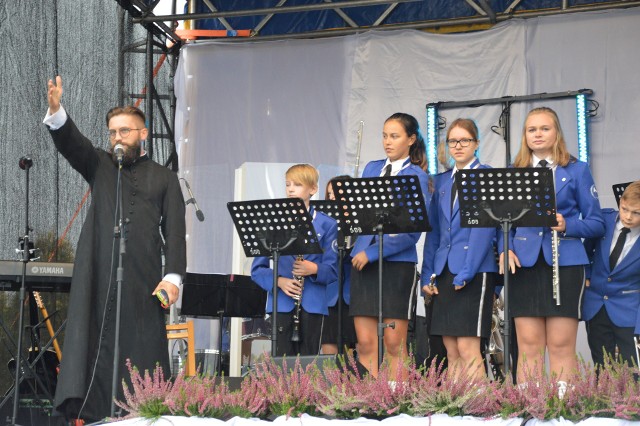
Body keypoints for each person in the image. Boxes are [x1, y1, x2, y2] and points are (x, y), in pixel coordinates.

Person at [44, 76, 186, 422]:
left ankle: (144, 411)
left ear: (143, 133)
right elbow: (72, 143)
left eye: (125, 131)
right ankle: (94, 413)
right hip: (100, 270)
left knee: (142, 343)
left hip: (144, 275)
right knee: (95, 339)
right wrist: (56, 110)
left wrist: (173, 278)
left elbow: (176, 231)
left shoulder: (164, 178)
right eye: (112, 132)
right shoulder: (99, 165)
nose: (117, 138)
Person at [500, 106, 604, 386]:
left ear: (556, 132)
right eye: (531, 129)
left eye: (544, 128)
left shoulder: (577, 169)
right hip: (523, 264)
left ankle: (562, 410)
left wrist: (568, 224)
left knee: (560, 345)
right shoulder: (514, 170)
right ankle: (530, 409)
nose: (537, 134)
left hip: (566, 262)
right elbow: (501, 222)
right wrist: (505, 247)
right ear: (525, 135)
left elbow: (597, 223)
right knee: (529, 345)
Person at [350, 112, 430, 380]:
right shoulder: (372, 168)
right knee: (365, 343)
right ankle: (369, 402)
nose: (387, 141)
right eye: (384, 135)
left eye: (394, 136)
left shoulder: (416, 176)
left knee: (394, 344)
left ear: (411, 139)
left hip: (396, 266)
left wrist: (372, 253)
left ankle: (397, 402)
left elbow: (412, 232)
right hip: (361, 264)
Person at [422, 118, 497, 380]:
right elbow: (434, 233)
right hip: (443, 270)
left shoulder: (486, 175)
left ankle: (478, 410)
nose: (458, 145)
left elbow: (484, 231)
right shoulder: (441, 181)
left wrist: (466, 272)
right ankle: (456, 409)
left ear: (476, 143)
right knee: (450, 349)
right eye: (453, 141)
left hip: (474, 271)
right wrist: (427, 275)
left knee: (468, 347)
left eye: (465, 140)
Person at [251, 164, 338, 356]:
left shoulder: (327, 224)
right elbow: (257, 270)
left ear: (313, 189)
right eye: (288, 184)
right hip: (281, 303)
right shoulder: (272, 222)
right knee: (281, 362)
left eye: (297, 185)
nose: (290, 189)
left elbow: (333, 271)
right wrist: (279, 281)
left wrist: (313, 268)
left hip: (313, 304)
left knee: (309, 363)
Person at [583, 181, 640, 367]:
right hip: (596, 306)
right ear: (620, 202)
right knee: (602, 368)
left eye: (636, 212)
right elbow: (585, 252)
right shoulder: (605, 220)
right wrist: (587, 275)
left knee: (632, 372)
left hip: (629, 311)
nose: (628, 217)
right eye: (624, 209)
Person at [321, 175, 357, 355]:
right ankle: (329, 383)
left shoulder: (361, 225)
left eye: (338, 194)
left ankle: (360, 384)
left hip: (355, 294)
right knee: (328, 341)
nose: (333, 199)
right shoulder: (325, 227)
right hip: (330, 295)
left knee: (359, 344)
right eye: (330, 196)